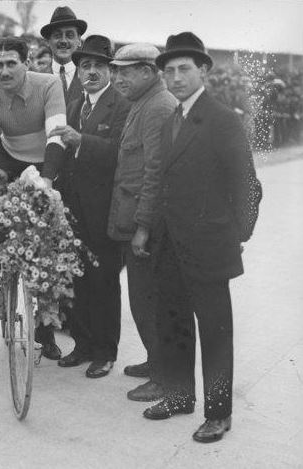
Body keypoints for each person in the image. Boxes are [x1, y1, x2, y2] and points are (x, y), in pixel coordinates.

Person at [142, 32, 261, 443]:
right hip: (171, 242)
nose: (175, 78)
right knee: (173, 321)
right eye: (168, 71)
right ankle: (178, 396)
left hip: (209, 244)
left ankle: (219, 413)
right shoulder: (170, 119)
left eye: (184, 69)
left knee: (215, 331)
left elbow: (246, 185)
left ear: (203, 70)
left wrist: (236, 234)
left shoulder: (223, 118)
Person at [0, 36, 67, 360]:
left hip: (47, 158)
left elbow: (57, 136)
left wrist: (48, 180)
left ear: (26, 63)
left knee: (50, 240)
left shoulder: (49, 84)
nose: (3, 70)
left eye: (11, 63)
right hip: (10, 158)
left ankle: (45, 327)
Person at [47, 36, 131, 378]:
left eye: (98, 65)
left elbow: (123, 154)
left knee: (105, 281)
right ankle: (82, 344)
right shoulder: (74, 103)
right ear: (78, 70)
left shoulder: (122, 105)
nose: (91, 72)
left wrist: (83, 142)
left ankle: (105, 352)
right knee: (77, 278)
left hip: (105, 210)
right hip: (74, 210)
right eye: (85, 66)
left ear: (110, 69)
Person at [107, 43, 177, 399]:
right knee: (142, 299)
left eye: (125, 71)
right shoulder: (143, 103)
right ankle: (156, 361)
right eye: (115, 71)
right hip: (134, 217)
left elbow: (155, 173)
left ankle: (164, 377)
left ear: (148, 72)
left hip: (146, 225)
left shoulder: (158, 107)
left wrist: (144, 227)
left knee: (149, 301)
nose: (117, 77)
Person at [40, 6, 87, 103]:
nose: (63, 41)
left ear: (79, 40)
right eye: (57, 35)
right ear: (48, 41)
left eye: (69, 35)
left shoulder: (89, 79)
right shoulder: (37, 78)